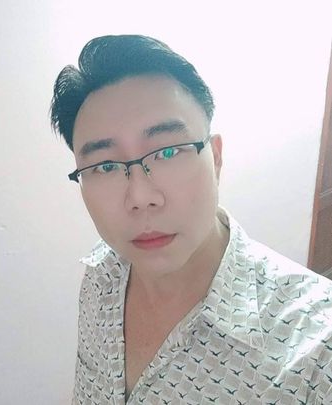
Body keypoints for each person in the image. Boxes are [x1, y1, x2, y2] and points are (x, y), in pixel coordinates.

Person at [50, 35, 332, 404]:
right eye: (104, 166)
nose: (141, 198)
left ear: (215, 158)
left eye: (168, 152)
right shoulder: (101, 274)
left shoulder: (317, 351)